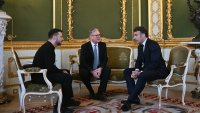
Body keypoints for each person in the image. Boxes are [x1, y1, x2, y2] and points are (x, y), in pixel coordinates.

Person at [121, 26, 170, 111]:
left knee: (142, 75)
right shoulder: (140, 46)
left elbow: (155, 63)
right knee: (127, 71)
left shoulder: (153, 44)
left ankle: (129, 100)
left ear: (143, 35)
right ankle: (135, 98)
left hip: (159, 70)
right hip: (148, 69)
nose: (134, 37)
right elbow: (139, 61)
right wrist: (136, 70)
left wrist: (140, 72)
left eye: (136, 35)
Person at [31, 28, 80, 113]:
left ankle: (67, 100)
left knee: (67, 73)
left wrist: (62, 71)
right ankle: (59, 108)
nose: (63, 39)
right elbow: (49, 67)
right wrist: (61, 71)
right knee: (66, 77)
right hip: (40, 77)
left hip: (44, 74)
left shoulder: (48, 46)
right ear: (54, 37)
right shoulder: (48, 48)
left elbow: (49, 67)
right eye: (61, 36)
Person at [79, 28, 111, 101]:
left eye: (99, 35)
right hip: (89, 68)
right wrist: (92, 71)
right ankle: (91, 92)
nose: (99, 37)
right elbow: (83, 62)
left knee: (107, 70)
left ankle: (100, 93)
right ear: (91, 37)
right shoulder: (85, 46)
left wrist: (100, 68)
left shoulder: (103, 45)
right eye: (96, 35)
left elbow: (105, 59)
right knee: (83, 72)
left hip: (99, 68)